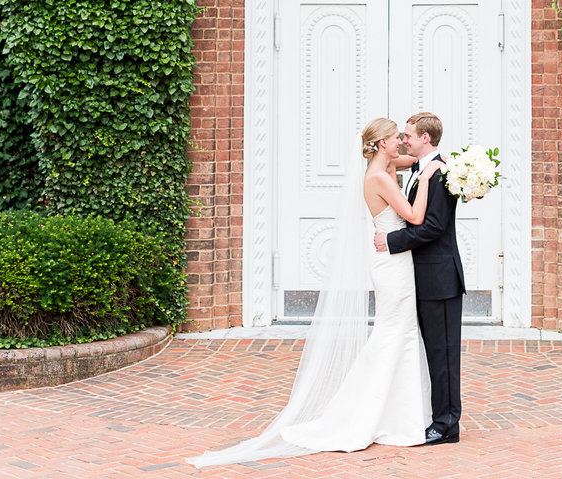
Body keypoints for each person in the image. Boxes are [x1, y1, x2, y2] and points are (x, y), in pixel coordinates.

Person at [188, 117, 440, 467]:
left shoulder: (383, 164)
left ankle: (399, 414)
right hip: (392, 267)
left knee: (400, 334)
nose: (401, 142)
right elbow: (413, 216)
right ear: (382, 143)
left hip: (394, 263)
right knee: (393, 335)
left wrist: (432, 158)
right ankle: (372, 415)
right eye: (396, 137)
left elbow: (416, 159)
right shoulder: (379, 176)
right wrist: (427, 179)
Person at [375, 112, 465, 446]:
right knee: (432, 353)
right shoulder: (417, 168)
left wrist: (391, 242)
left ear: (425, 138)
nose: (404, 139)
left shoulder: (439, 173)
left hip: (440, 279)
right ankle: (436, 415)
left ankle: (446, 425)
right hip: (422, 277)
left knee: (443, 355)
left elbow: (433, 227)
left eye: (409, 135)